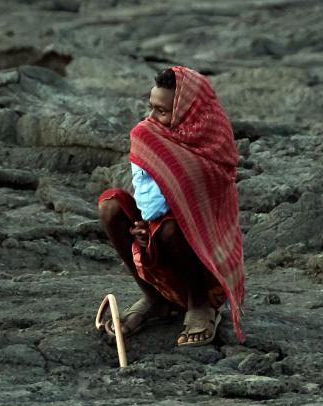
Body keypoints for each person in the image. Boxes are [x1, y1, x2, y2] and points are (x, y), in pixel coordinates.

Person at [97, 66, 245, 347]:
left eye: (162, 111)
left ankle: (200, 305)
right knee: (110, 205)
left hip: (204, 261)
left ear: (187, 113)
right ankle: (155, 299)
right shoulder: (151, 136)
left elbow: (201, 211)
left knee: (170, 228)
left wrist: (153, 226)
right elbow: (149, 204)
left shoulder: (213, 143)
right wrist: (143, 229)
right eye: (151, 107)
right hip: (159, 245)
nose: (151, 118)